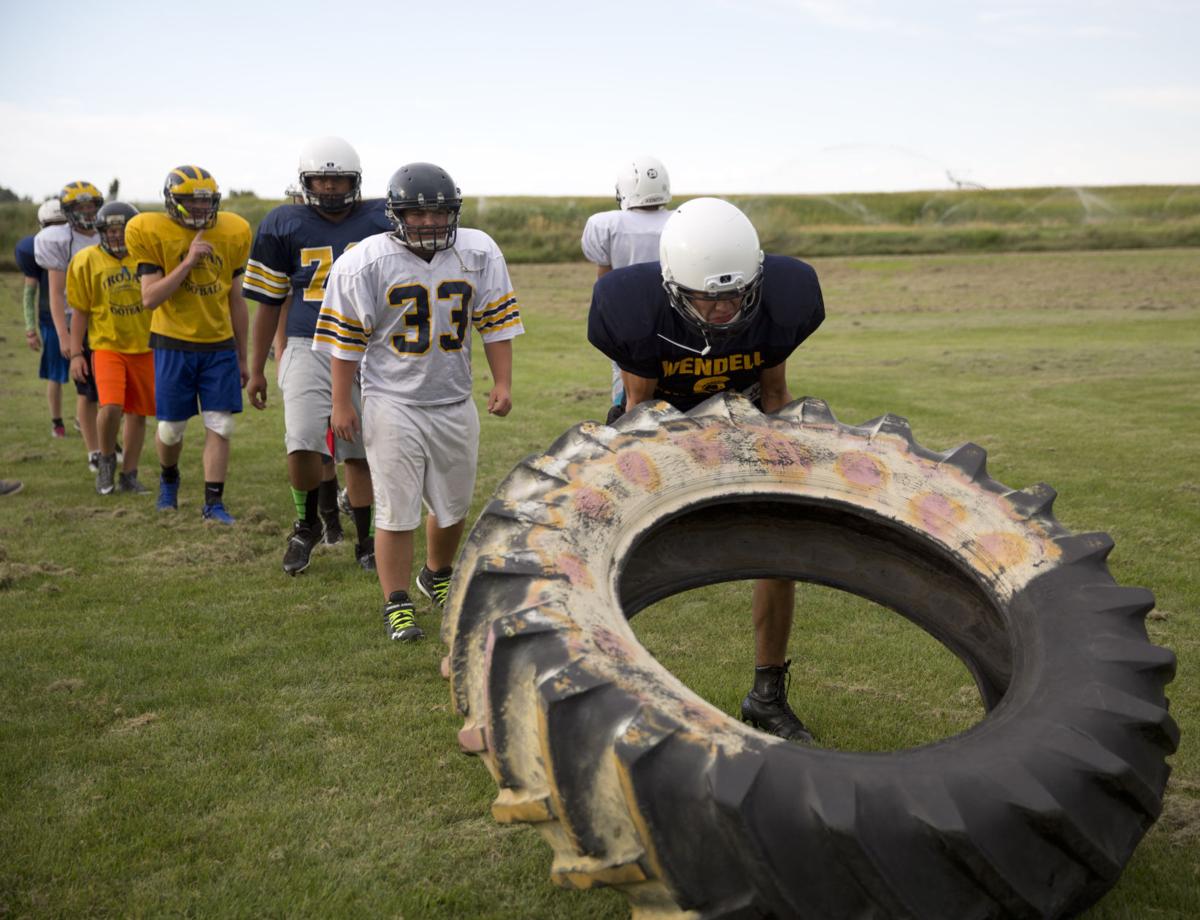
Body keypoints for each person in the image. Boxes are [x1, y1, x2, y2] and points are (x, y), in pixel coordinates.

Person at [587, 197, 825, 742]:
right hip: (658, 425)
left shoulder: (780, 298)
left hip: (743, 423)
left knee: (778, 552)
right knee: (613, 553)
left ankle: (767, 695)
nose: (725, 309)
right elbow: (640, 408)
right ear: (674, 286)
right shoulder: (635, 309)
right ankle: (607, 685)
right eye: (708, 298)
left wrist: (788, 462)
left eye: (736, 295)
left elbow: (774, 392)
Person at [316, 162, 523, 643]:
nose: (430, 223)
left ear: (454, 212)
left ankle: (436, 574)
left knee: (453, 507)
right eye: (417, 213)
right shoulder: (365, 262)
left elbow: (495, 322)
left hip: (454, 398)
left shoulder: (478, 251)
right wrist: (341, 402)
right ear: (396, 214)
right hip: (392, 401)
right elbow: (346, 342)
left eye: (439, 213)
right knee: (396, 509)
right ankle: (397, 603)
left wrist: (503, 382)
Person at [245, 137, 390, 575]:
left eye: (338, 179)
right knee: (303, 441)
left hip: (364, 346)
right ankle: (306, 525)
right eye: (321, 180)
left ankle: (366, 540)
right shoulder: (283, 223)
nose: (329, 187)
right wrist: (256, 369)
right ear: (305, 182)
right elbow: (268, 303)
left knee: (360, 450)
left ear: (354, 181)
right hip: (306, 341)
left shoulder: (381, 219)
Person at [124, 165, 251, 523]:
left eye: (205, 202)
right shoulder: (151, 231)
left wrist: (243, 356)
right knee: (170, 429)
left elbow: (237, 300)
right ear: (172, 201)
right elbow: (150, 298)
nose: (200, 208)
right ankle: (169, 479)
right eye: (191, 202)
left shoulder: (233, 231)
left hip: (218, 344)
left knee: (221, 424)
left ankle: (213, 503)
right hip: (173, 342)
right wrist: (188, 262)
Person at [66, 202, 155, 495]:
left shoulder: (147, 257)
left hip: (144, 345)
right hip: (106, 345)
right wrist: (76, 353)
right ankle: (106, 460)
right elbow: (80, 311)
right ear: (101, 232)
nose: (117, 236)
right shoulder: (86, 260)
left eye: (123, 230)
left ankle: (129, 474)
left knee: (138, 413)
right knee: (111, 406)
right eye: (111, 230)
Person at [581, 156, 673, 412]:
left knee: (631, 402)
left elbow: (605, 281)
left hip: (630, 321)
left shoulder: (606, 224)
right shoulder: (682, 220)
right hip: (679, 320)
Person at [34, 181, 105, 468]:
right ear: (68, 211)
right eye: (80, 207)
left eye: (91, 206)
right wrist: (64, 336)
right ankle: (94, 452)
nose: (87, 212)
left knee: (111, 392)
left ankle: (107, 442)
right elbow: (55, 293)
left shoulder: (107, 232)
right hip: (76, 321)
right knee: (87, 390)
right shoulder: (59, 239)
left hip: (108, 319)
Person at [16, 199, 70, 438]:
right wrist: (30, 328)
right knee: (55, 374)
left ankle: (83, 419)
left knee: (89, 374)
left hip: (81, 315)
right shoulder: (36, 250)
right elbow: (29, 293)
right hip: (51, 319)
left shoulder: (79, 244)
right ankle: (57, 421)